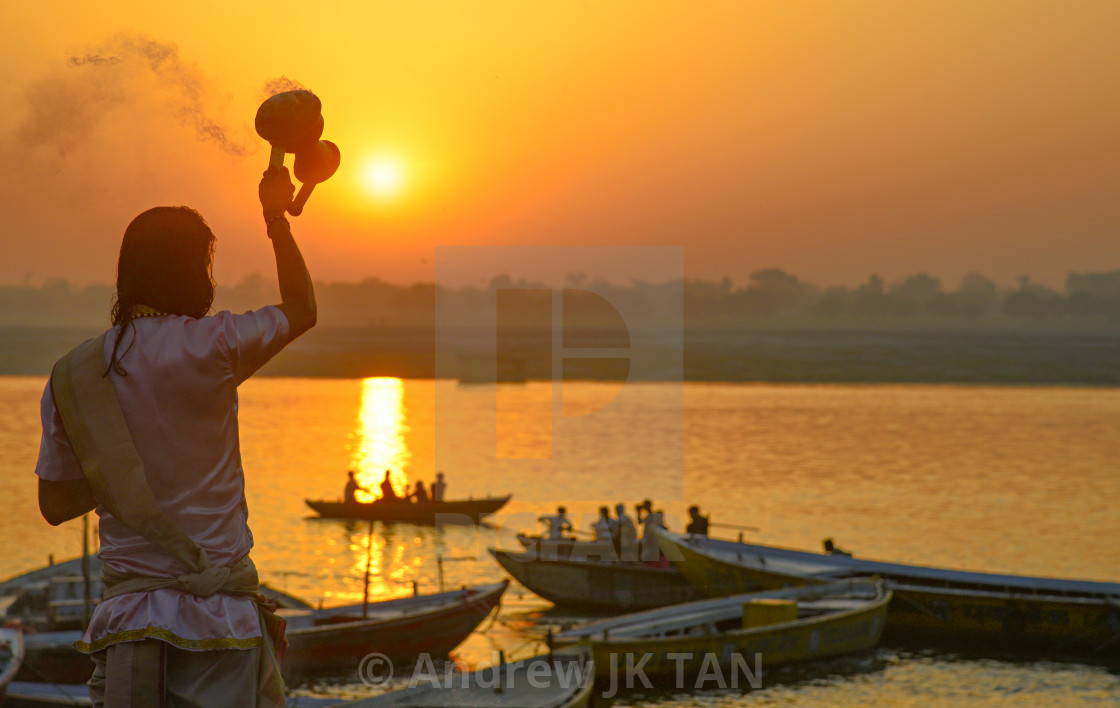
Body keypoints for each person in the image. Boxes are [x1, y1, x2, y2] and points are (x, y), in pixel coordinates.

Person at [34, 166, 315, 707]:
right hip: (219, 627)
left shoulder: (73, 372)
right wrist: (276, 221)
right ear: (194, 273)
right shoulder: (215, 344)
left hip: (126, 624)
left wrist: (123, 466)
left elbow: (54, 504)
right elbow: (302, 308)